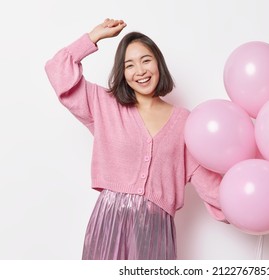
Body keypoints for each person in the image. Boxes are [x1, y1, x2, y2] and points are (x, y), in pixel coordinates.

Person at [45, 18, 227, 260]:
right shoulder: (105, 105)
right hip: (109, 222)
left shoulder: (185, 121)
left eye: (146, 60)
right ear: (122, 72)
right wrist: (92, 38)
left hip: (156, 228)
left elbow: (208, 182)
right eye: (129, 65)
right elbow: (57, 69)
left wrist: (244, 208)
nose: (140, 71)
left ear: (159, 64)